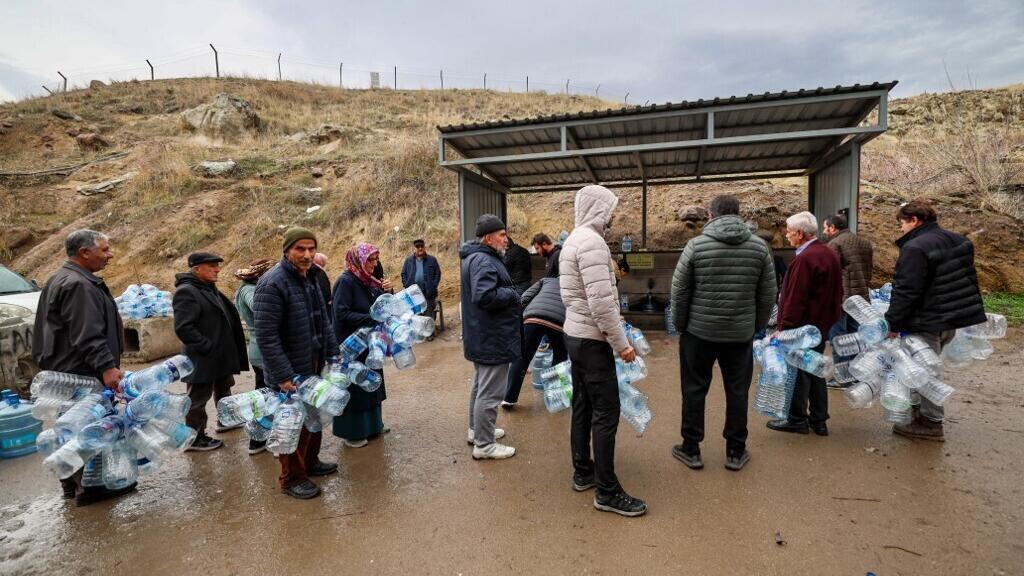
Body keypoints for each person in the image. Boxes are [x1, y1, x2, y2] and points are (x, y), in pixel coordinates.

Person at [670, 195, 777, 472]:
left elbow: (680, 291)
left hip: (699, 333)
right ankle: (735, 451)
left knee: (694, 389)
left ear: (710, 214)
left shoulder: (696, 246)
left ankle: (691, 449)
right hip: (739, 335)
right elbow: (768, 294)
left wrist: (681, 326)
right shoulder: (759, 248)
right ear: (738, 213)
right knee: (738, 391)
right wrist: (756, 326)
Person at [560, 185, 646, 517]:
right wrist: (621, 345)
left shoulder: (574, 239)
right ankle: (607, 492)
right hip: (593, 340)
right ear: (598, 209)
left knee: (582, 405)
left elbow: (588, 296)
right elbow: (600, 302)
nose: (612, 217)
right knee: (606, 413)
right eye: (610, 210)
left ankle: (584, 472)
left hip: (575, 335)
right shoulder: (592, 243)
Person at [32, 229, 132, 505]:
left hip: (67, 372)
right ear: (84, 252)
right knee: (86, 429)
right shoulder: (78, 285)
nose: (110, 255)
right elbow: (87, 334)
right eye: (105, 249)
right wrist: (107, 367)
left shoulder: (62, 279)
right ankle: (90, 488)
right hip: (82, 374)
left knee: (69, 428)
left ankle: (70, 483)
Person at [885, 199, 986, 441]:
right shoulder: (959, 241)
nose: (900, 229)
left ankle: (931, 422)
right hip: (952, 318)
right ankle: (920, 412)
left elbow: (907, 290)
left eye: (902, 223)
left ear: (914, 221)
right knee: (926, 366)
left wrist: (892, 323)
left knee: (925, 371)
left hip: (926, 319)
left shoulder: (915, 248)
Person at [254, 227, 339, 499]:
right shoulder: (273, 283)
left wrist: (333, 353)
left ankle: (310, 463)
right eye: (300, 249)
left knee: (313, 419)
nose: (307, 254)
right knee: (292, 427)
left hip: (312, 365)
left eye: (311, 249)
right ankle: (291, 478)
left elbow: (323, 319)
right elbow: (267, 336)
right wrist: (282, 375)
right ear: (287, 250)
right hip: (289, 373)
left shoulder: (312, 276)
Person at [767, 211, 843, 437]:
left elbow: (794, 299)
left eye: (789, 232)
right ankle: (819, 420)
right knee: (815, 370)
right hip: (820, 326)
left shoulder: (805, 259)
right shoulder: (827, 253)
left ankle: (797, 419)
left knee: (798, 372)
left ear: (799, 233)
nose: (787, 235)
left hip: (802, 329)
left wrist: (784, 329)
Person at [173, 252, 249, 452]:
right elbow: (184, 328)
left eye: (217, 265)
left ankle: (226, 420)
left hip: (219, 356)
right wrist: (207, 346)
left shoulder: (206, 287)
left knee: (224, 389)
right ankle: (194, 438)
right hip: (202, 358)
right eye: (212, 266)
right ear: (197, 269)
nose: (217, 269)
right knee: (197, 399)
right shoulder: (187, 291)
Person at [460, 214, 520, 459]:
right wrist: (512, 294)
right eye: (502, 235)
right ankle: (484, 445)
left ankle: (477, 431)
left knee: (480, 386)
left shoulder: (478, 257)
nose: (506, 240)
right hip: (492, 337)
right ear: (488, 238)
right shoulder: (483, 261)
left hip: (483, 335)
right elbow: (484, 296)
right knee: (491, 392)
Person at [332, 243, 392, 448]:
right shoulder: (345, 282)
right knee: (356, 386)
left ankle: (374, 425)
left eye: (376, 260)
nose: (374, 265)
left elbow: (379, 306)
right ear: (358, 260)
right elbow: (341, 313)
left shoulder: (369, 281)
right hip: (351, 345)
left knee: (372, 382)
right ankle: (353, 432)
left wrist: (387, 292)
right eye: (370, 260)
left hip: (369, 342)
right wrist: (370, 319)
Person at [503, 276, 568, 407]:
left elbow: (525, 297)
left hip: (533, 318)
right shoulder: (574, 284)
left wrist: (523, 315)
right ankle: (556, 399)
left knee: (521, 357)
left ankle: (509, 399)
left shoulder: (546, 280)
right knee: (560, 359)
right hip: (559, 323)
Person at [824, 213, 874, 382]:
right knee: (856, 336)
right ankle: (856, 373)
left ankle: (842, 376)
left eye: (825, 227)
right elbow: (868, 271)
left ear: (833, 227)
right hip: (860, 297)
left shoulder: (834, 244)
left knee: (839, 338)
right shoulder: (864, 243)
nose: (824, 231)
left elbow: (831, 274)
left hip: (842, 298)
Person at [234, 258, 275, 454]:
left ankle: (260, 438)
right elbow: (259, 308)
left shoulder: (249, 288)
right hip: (263, 350)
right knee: (265, 396)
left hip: (261, 348)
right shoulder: (250, 290)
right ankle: (257, 440)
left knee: (265, 394)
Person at [400, 238, 442, 339]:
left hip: (428, 291)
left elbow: (438, 273)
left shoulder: (432, 259)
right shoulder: (408, 260)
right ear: (414, 248)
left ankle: (429, 334)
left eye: (421, 246)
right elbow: (403, 273)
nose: (420, 248)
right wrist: (406, 285)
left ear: (424, 247)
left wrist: (433, 285)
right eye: (417, 247)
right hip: (413, 293)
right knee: (416, 313)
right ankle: (419, 334)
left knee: (428, 313)